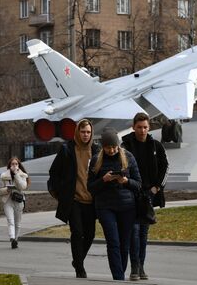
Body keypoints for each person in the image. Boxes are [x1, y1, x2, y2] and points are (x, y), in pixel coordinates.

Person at [48, 118, 99, 278]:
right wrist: (58, 194)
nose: (85, 135)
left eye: (88, 132)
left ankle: (78, 260)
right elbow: (54, 173)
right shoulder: (67, 149)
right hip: (74, 200)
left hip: (91, 201)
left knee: (90, 234)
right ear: (78, 132)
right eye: (83, 132)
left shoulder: (97, 151)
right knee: (77, 232)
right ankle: (80, 269)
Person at [87, 128, 141, 281]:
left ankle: (120, 273)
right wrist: (103, 180)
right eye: (108, 147)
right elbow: (90, 187)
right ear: (103, 147)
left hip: (127, 207)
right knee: (113, 242)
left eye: (114, 147)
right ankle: (118, 277)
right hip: (105, 207)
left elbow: (138, 184)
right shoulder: (97, 159)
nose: (111, 150)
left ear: (118, 145)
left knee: (124, 243)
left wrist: (126, 181)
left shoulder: (128, 157)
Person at [122, 112, 169, 281]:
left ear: (149, 128)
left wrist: (157, 187)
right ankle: (134, 267)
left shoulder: (156, 145)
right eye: (139, 127)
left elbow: (165, 167)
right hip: (131, 195)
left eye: (145, 127)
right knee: (133, 232)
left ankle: (141, 266)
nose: (142, 130)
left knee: (143, 233)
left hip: (149, 196)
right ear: (133, 127)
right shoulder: (125, 146)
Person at [0, 156, 29, 249]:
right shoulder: (4, 176)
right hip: (8, 200)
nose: (14, 165)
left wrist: (16, 174)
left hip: (19, 200)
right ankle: (12, 237)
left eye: (16, 164)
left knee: (18, 222)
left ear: (19, 165)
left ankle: (15, 240)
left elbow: (23, 186)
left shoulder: (22, 175)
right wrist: (6, 190)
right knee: (10, 220)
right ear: (9, 165)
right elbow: (0, 190)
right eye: (13, 164)